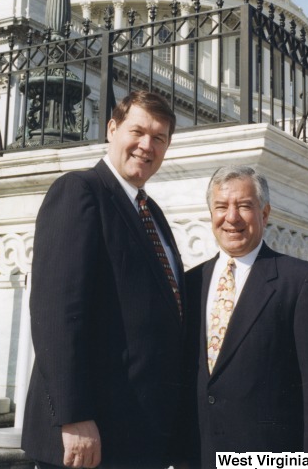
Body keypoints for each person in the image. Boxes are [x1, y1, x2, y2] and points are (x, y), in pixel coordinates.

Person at [21, 90, 185, 469]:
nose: (147, 145)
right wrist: (73, 414)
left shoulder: (152, 212)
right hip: (88, 436)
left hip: (138, 434)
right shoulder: (79, 191)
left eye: (159, 138)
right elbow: (56, 313)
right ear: (112, 129)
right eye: (138, 131)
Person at [185, 165, 308, 466]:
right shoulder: (190, 284)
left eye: (244, 206)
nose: (231, 217)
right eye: (221, 207)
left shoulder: (301, 282)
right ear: (211, 215)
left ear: (265, 213)